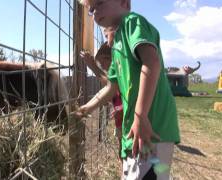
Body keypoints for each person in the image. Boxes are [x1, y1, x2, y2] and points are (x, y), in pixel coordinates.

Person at [74, 0, 180, 179]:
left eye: (99, 3)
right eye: (91, 9)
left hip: (151, 129)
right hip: (136, 130)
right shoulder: (116, 47)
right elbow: (110, 87)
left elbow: (151, 62)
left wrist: (140, 116)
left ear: (124, 2)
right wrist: (84, 110)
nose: (95, 12)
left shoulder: (132, 23)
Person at [80, 40, 123, 161]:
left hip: (130, 122)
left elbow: (111, 85)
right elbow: (110, 84)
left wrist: (92, 66)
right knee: (123, 152)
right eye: (100, 62)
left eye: (104, 60)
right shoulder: (115, 75)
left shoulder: (122, 74)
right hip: (121, 121)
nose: (102, 65)